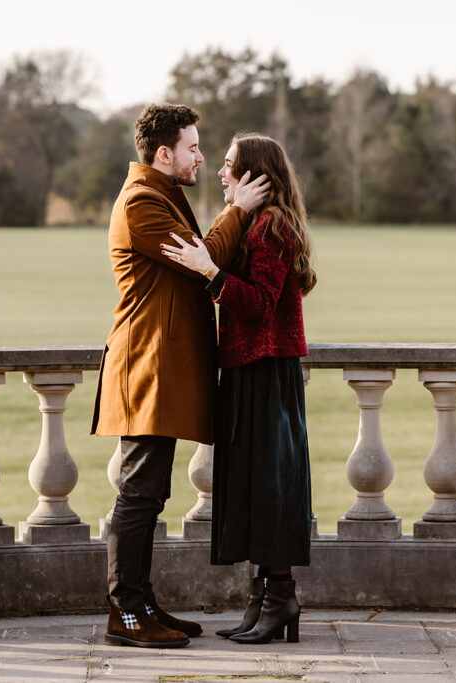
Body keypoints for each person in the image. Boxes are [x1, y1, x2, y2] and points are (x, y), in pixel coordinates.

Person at [91, 104, 269, 649]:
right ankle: (124, 611)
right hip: (147, 368)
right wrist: (237, 209)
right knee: (138, 493)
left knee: (149, 492)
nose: (201, 157)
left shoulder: (163, 194)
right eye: (193, 148)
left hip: (160, 367)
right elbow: (203, 258)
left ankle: (142, 603)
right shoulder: (143, 201)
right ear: (164, 153)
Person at [160, 132, 317, 645]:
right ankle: (264, 599)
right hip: (252, 367)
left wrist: (209, 272)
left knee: (270, 486)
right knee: (255, 485)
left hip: (268, 370)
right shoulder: (255, 222)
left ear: (254, 175)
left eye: (230, 166)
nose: (221, 173)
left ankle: (280, 598)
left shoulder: (271, 227)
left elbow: (260, 304)